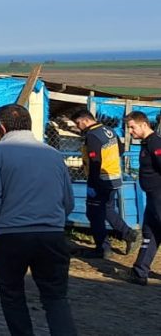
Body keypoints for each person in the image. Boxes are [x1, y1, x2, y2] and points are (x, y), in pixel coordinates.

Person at [0, 103, 77, 336]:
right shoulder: (54, 155)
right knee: (56, 298)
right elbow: (68, 201)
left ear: (2, 128)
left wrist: (1, 222)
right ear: (30, 125)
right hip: (52, 236)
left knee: (13, 296)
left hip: (13, 236)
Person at [72, 108, 140, 258]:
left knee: (94, 213)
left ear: (85, 120)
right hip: (114, 178)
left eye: (78, 123)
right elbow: (120, 150)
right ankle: (129, 234)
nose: (78, 127)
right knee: (107, 209)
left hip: (100, 180)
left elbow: (95, 161)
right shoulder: (109, 130)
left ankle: (102, 249)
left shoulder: (92, 135)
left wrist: (93, 183)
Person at [126, 111, 161, 285]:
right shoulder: (146, 143)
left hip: (159, 196)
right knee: (150, 232)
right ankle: (139, 272)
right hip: (152, 197)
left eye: (132, 127)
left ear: (144, 124)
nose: (130, 131)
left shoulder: (155, 143)